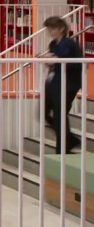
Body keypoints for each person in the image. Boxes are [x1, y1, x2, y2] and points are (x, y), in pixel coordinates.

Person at [42, 16, 83, 154]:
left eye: (52, 28)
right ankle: (70, 140)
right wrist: (47, 59)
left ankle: (63, 148)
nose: (50, 31)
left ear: (61, 28)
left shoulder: (71, 44)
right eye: (48, 29)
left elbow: (78, 63)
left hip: (68, 84)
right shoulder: (53, 44)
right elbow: (53, 63)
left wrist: (57, 60)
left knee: (60, 115)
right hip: (54, 82)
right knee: (45, 114)